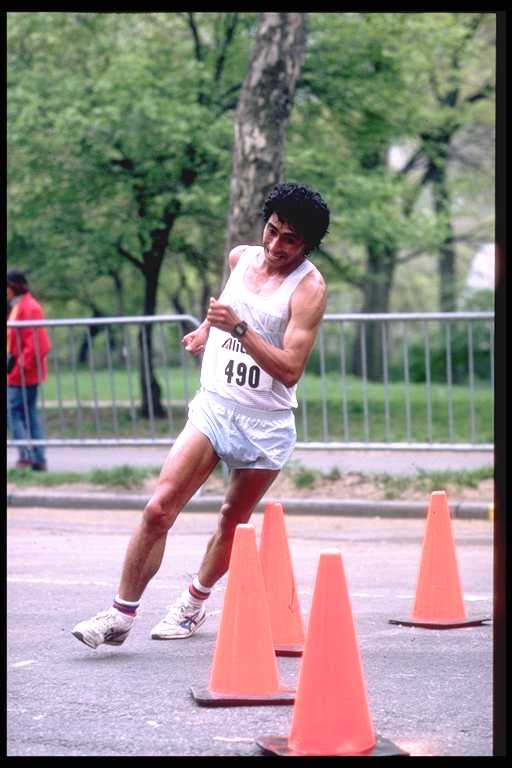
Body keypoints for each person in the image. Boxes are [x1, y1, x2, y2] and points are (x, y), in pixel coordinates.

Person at [71, 182, 330, 649]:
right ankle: (119, 614)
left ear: (307, 244)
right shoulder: (240, 258)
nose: (275, 246)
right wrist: (206, 329)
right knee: (158, 508)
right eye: (272, 230)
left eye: (290, 239)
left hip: (264, 424)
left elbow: (290, 369)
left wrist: (239, 330)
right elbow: (228, 305)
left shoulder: (309, 289)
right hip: (215, 406)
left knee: (232, 519)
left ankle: (193, 603)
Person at [7, 269, 52, 471]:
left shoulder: (29, 307)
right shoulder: (18, 307)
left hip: (24, 373)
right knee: (26, 413)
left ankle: (28, 456)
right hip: (19, 371)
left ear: (13, 286)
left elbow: (37, 344)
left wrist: (19, 368)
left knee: (14, 412)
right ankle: (37, 458)